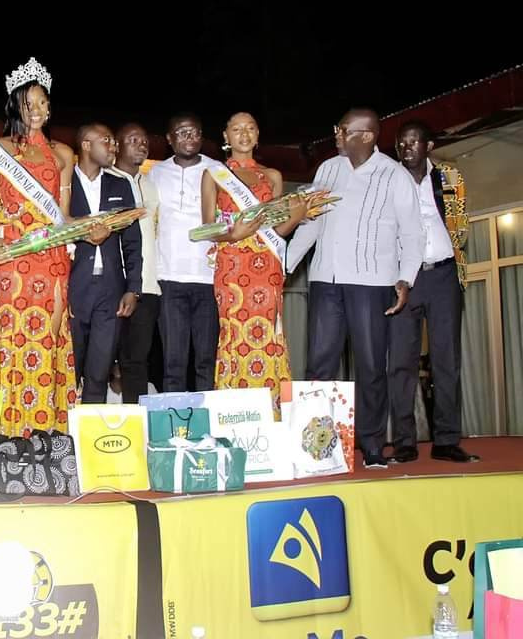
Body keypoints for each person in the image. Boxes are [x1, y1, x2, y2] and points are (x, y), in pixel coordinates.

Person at [286, 109, 423, 468]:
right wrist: (283, 266)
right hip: (325, 280)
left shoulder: (393, 175)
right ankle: (314, 449)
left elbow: (412, 233)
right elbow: (311, 225)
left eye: (343, 129)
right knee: (320, 364)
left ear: (366, 136)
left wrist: (405, 278)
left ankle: (373, 446)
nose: (336, 133)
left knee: (371, 366)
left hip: (371, 282)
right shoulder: (327, 169)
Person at [0, 57, 93, 437]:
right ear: (16, 106)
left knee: (48, 341)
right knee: (13, 343)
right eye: (30, 104)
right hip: (11, 258)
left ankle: (45, 435)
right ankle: (6, 435)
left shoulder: (63, 154)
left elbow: (62, 216)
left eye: (44, 102)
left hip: (52, 259)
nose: (39, 110)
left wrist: (93, 229)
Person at [200, 112, 310, 416]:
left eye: (250, 129)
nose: (243, 134)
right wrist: (233, 233)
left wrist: (297, 217)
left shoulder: (272, 176)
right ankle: (234, 415)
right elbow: (206, 228)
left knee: (270, 335)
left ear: (258, 135)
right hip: (233, 267)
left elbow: (277, 230)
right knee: (235, 335)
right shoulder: (214, 174)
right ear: (226, 136)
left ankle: (272, 415)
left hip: (268, 267)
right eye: (236, 129)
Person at [387, 120, 478, 463]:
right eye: (401, 143)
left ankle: (447, 441)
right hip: (402, 280)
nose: (406, 148)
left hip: (443, 275)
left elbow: (460, 222)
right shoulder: (387, 181)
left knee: (446, 360)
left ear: (428, 145)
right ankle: (405, 443)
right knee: (401, 363)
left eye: (413, 142)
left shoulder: (451, 177)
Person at [147, 113, 223, 391]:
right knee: (173, 362)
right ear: (169, 139)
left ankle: (210, 430)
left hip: (209, 278)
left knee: (206, 360)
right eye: (182, 132)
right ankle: (171, 427)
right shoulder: (155, 173)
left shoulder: (219, 171)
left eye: (195, 132)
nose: (189, 137)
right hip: (168, 278)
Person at [69, 123, 141, 403]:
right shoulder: (63, 183)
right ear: (86, 145)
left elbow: (132, 240)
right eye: (107, 141)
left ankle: (90, 440)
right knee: (69, 369)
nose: (114, 146)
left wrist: (133, 288)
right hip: (73, 287)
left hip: (110, 290)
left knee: (99, 372)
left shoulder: (120, 184)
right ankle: (62, 439)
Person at [108, 123, 162, 403]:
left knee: (137, 362)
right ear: (117, 145)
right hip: (111, 285)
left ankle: (136, 429)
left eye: (144, 140)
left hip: (148, 286)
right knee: (102, 362)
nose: (142, 145)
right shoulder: (104, 180)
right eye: (133, 140)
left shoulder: (151, 185)